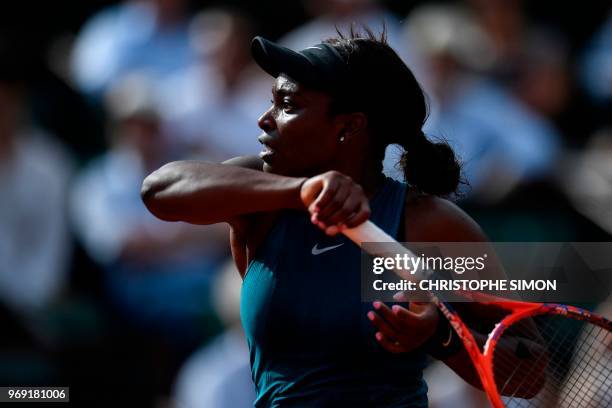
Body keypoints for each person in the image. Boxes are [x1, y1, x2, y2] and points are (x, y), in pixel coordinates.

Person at [141, 29, 541, 407]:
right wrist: (298, 193)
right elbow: (159, 190)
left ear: (349, 127)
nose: (264, 119)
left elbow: (530, 372)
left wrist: (442, 337)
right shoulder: (261, 199)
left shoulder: (429, 225)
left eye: (287, 105)